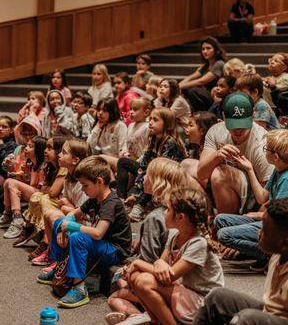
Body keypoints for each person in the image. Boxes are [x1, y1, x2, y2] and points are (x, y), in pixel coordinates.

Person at [192, 197, 288, 325]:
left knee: (247, 319)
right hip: (271, 312)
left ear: (285, 243)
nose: (259, 233)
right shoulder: (285, 251)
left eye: (265, 232)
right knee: (217, 297)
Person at [38, 156, 132, 309]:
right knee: (58, 223)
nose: (82, 189)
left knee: (77, 237)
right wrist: (64, 227)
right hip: (101, 244)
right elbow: (73, 215)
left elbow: (98, 233)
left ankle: (79, 288)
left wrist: (71, 227)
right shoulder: (95, 198)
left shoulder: (111, 203)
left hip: (115, 250)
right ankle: (59, 266)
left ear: (100, 182)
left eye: (85, 185)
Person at [106, 158, 190, 325]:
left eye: (147, 175)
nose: (142, 178)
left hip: (163, 282)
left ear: (158, 183)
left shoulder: (155, 218)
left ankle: (140, 316)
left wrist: (130, 268)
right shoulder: (183, 212)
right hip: (184, 284)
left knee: (115, 295)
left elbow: (149, 259)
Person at [124, 187, 224, 325]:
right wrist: (159, 262)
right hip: (185, 293)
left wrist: (137, 263)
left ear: (180, 217)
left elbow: (170, 276)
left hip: (204, 304)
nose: (164, 213)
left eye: (168, 210)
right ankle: (156, 320)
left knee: (144, 280)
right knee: (135, 276)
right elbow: (161, 266)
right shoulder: (174, 235)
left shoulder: (199, 243)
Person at [215, 129, 288, 270]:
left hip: (282, 228)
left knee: (224, 235)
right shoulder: (279, 169)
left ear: (275, 156)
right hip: (272, 220)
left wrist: (258, 215)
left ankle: (269, 254)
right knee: (220, 219)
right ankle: (256, 251)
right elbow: (262, 197)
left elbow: (279, 218)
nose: (264, 151)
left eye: (267, 149)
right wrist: (249, 169)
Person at [196, 92, 274, 214]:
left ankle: (225, 222)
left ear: (253, 117)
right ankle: (206, 217)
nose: (238, 130)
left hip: (254, 195)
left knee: (219, 174)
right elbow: (201, 174)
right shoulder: (216, 130)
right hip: (222, 187)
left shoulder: (263, 142)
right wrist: (217, 156)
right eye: (233, 125)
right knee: (186, 166)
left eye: (242, 124)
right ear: (224, 117)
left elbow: (267, 195)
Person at [29, 139, 91, 265]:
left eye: (64, 152)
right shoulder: (68, 178)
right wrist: (66, 206)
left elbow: (84, 213)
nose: (59, 155)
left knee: (54, 214)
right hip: (74, 217)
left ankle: (59, 258)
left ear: (75, 160)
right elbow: (63, 203)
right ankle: (52, 252)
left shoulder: (82, 183)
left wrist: (67, 206)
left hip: (85, 224)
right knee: (49, 214)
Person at [179, 37, 226, 111]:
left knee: (192, 90)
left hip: (215, 96)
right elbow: (190, 77)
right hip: (205, 96)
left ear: (216, 50)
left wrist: (178, 87)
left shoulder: (219, 63)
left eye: (208, 48)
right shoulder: (205, 65)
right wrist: (178, 86)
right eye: (203, 49)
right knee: (186, 89)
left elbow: (201, 81)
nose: (205, 51)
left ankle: (202, 113)